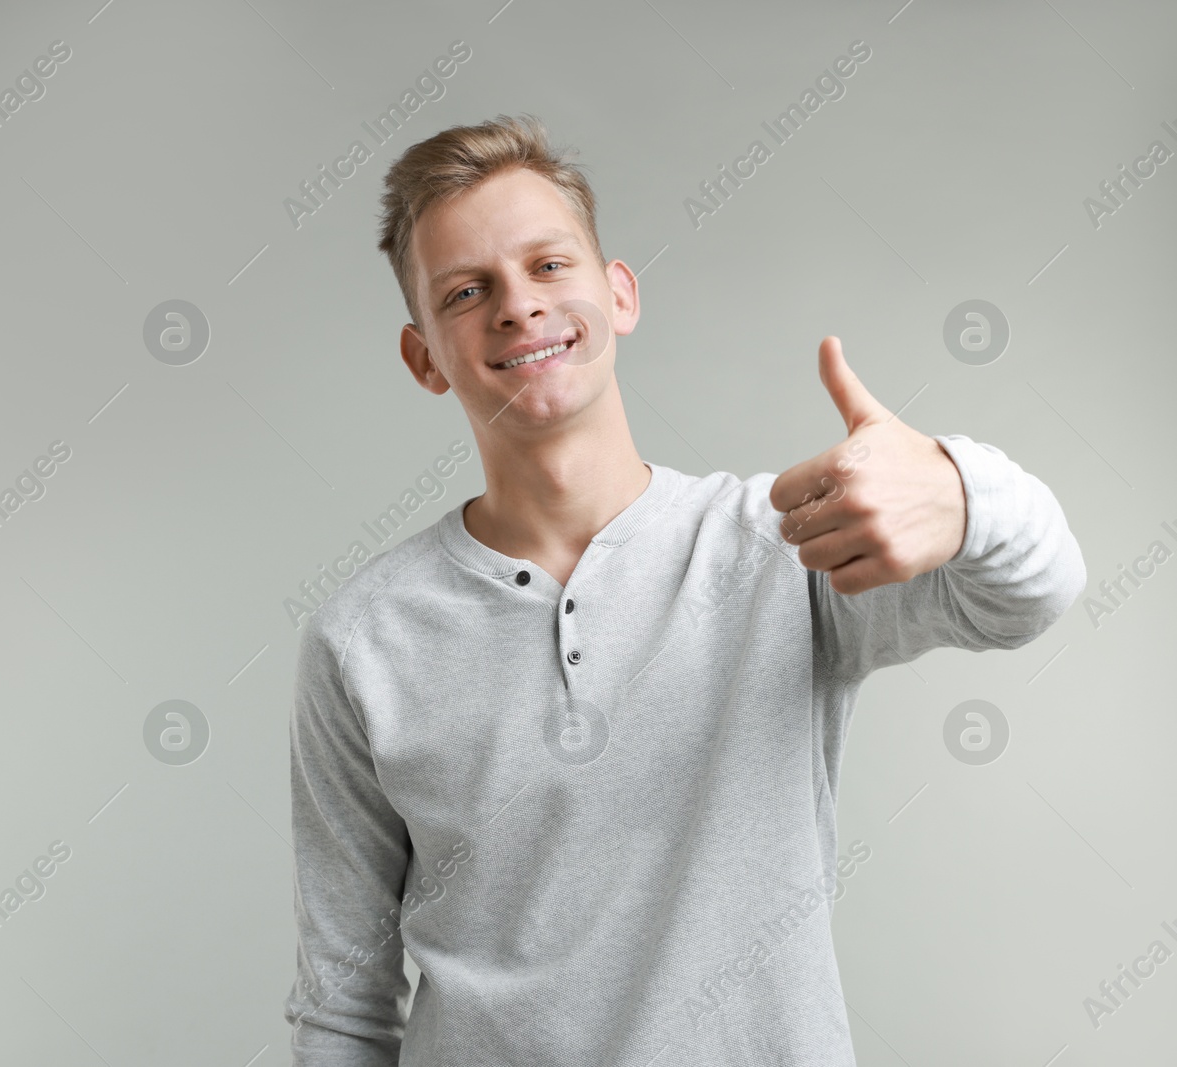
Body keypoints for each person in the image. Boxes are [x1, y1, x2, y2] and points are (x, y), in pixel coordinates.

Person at [282, 113, 1084, 1066]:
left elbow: (1031, 593)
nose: (518, 306)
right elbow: (342, 1006)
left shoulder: (781, 547)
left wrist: (960, 488)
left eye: (548, 265)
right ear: (424, 358)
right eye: (468, 290)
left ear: (617, 296)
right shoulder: (361, 640)